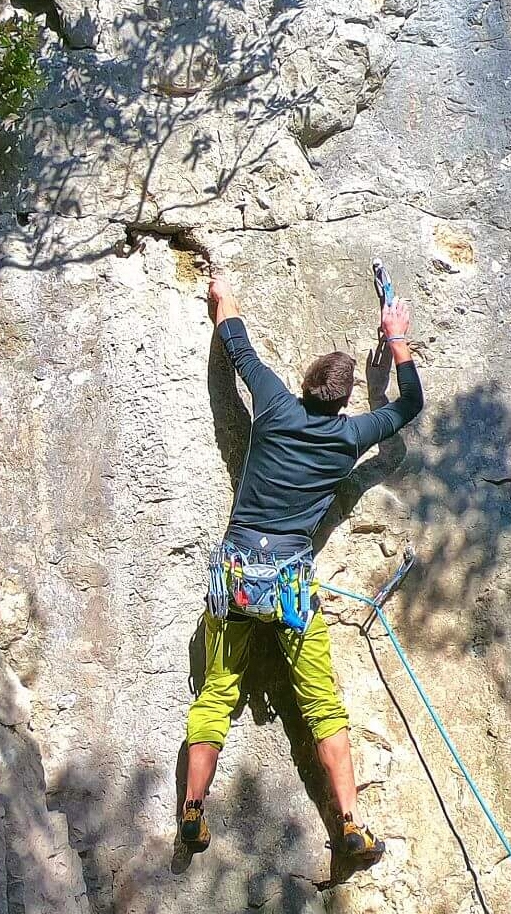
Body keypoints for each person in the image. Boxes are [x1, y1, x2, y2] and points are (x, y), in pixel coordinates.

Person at [179, 269, 423, 864]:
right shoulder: (349, 438)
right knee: (321, 704)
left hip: (237, 576)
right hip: (288, 584)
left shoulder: (275, 405)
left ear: (306, 383)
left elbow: (236, 347)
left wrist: (224, 293)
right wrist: (395, 338)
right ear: (340, 401)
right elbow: (410, 407)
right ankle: (349, 825)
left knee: (216, 693)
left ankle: (191, 809)